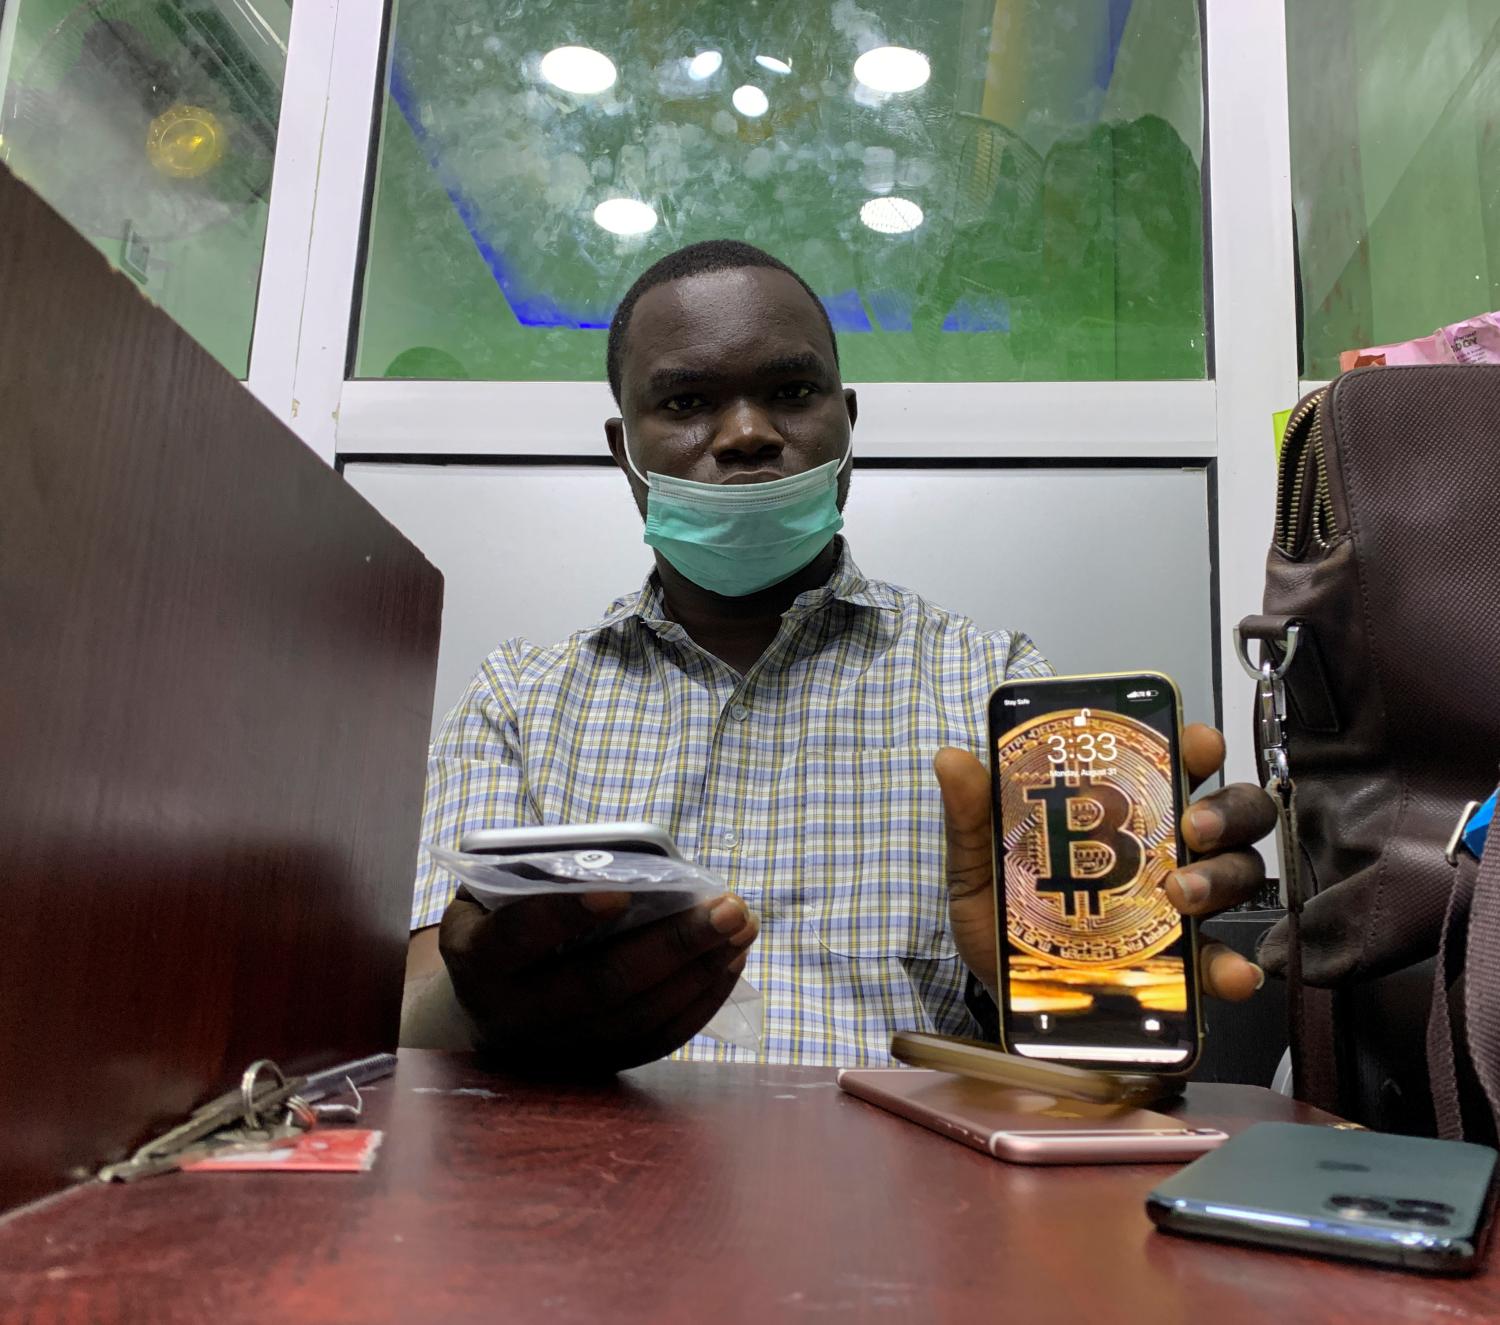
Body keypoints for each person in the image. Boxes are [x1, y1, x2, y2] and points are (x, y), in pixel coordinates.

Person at [401, 240, 1276, 1072]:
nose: (746, 432)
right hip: (588, 1183)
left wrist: (1060, 995)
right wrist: (485, 1003)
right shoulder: (518, 698)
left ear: (847, 424)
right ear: (621, 448)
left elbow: (1098, 1054)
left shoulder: (989, 680)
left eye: (790, 391)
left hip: (903, 1198)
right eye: (685, 402)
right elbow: (406, 1032)